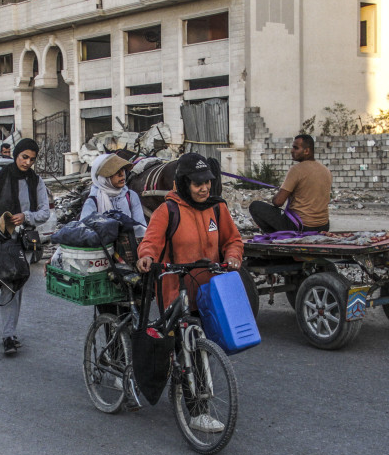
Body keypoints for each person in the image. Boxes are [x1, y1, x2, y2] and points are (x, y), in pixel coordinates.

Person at [136, 153, 243, 433]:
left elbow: (233, 240)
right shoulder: (167, 211)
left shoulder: (217, 209)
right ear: (183, 183)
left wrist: (233, 256)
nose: (204, 188)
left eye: (207, 182)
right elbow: (150, 242)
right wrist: (146, 257)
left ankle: (192, 392)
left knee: (201, 347)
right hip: (176, 290)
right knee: (189, 349)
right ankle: (197, 411)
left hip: (210, 292)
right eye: (197, 184)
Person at [0, 138, 50, 355]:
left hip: (24, 243)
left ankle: (9, 333)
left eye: (32, 159)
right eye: (24, 157)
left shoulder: (36, 182)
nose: (27, 162)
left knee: (14, 286)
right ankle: (8, 334)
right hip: (1, 240)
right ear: (16, 155)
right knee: (9, 285)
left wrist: (25, 217)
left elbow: (44, 213)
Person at [249, 134, 332, 233]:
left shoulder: (296, 170)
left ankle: (275, 236)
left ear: (307, 151)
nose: (292, 151)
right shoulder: (326, 170)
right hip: (323, 226)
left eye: (296, 148)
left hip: (300, 226)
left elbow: (278, 202)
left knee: (255, 206)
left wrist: (277, 195)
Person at [79, 153, 147, 238]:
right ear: (103, 178)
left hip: (129, 247)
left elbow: (141, 227)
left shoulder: (130, 196)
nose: (122, 175)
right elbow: (84, 232)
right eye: (116, 172)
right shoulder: (93, 201)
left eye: (122, 170)